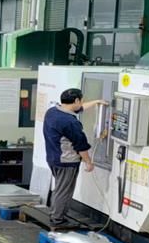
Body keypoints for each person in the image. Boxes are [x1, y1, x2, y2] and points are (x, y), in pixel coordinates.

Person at [42, 88, 106, 229]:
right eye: (81, 100)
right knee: (64, 191)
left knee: (59, 188)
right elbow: (81, 146)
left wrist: (96, 102)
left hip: (53, 158)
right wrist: (88, 162)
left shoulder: (52, 112)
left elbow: (79, 108)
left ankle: (56, 215)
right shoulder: (71, 122)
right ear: (76, 100)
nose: (82, 103)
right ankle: (57, 220)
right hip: (67, 161)